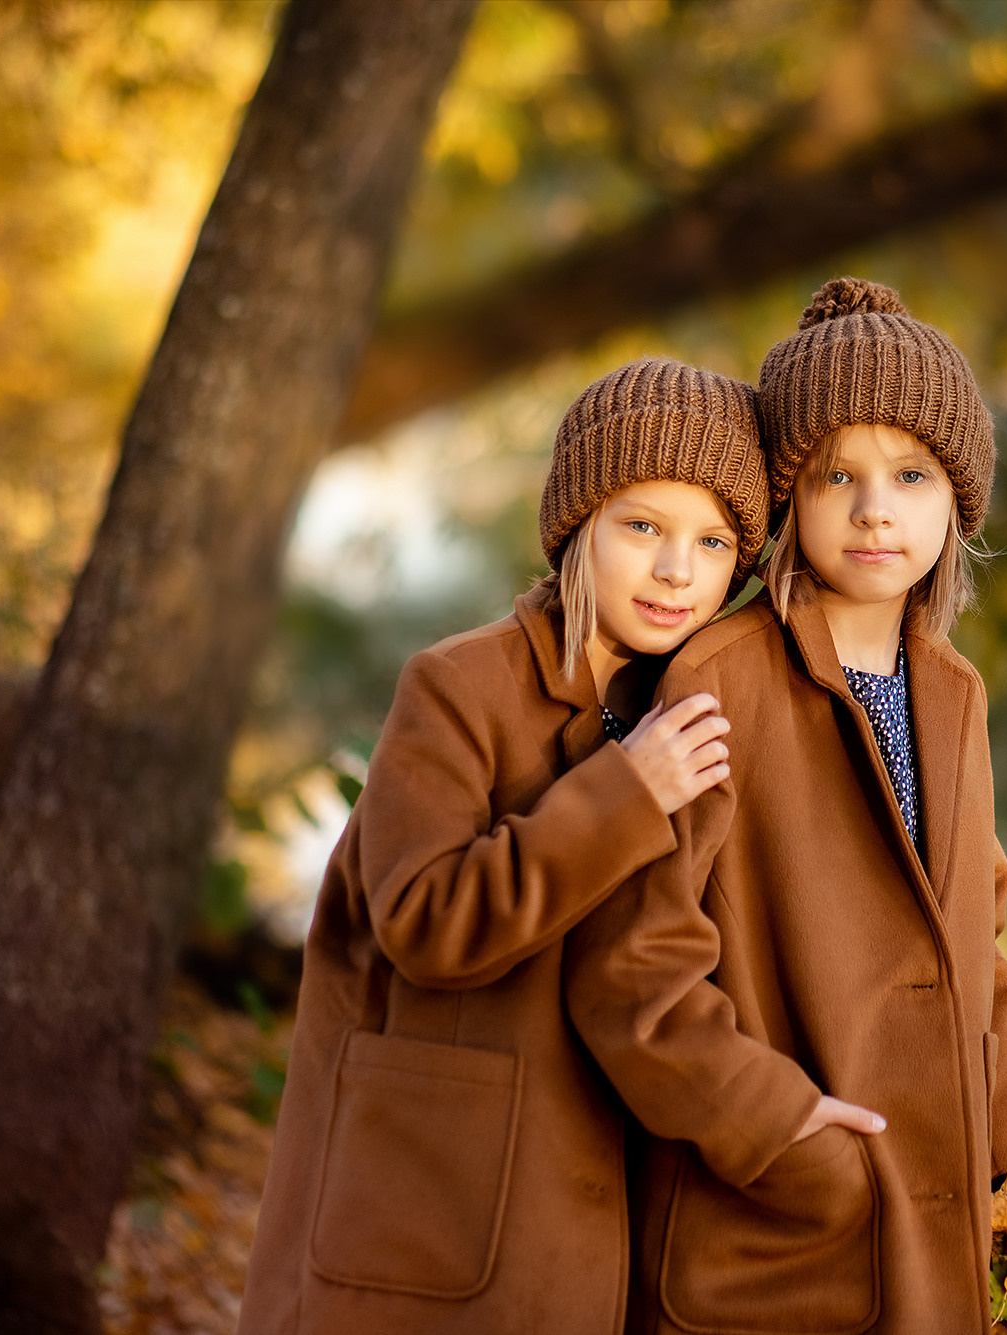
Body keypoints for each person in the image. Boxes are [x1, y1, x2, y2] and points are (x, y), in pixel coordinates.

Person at [238, 356, 771, 1335]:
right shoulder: (456, 687)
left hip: (607, 1214)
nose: (674, 571)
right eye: (641, 527)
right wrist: (622, 795)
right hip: (433, 1201)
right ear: (579, 526)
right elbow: (424, 923)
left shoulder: (685, 705)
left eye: (711, 541)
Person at [565, 279, 1007, 1335]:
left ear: (956, 500)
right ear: (787, 495)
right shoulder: (717, 677)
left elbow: (978, 942)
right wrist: (778, 1127)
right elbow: (628, 967)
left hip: (930, 1220)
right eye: (838, 474)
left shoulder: (954, 693)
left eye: (910, 475)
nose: (875, 507)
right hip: (772, 1236)